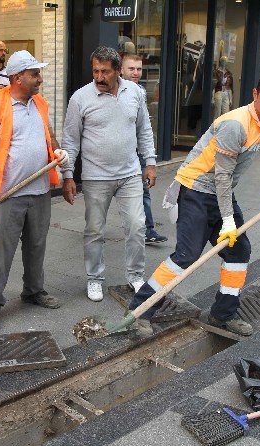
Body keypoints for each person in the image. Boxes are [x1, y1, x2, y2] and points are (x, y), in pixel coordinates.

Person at [127, 69, 260, 336]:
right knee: (186, 255)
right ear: (255, 95)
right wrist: (228, 220)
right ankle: (139, 310)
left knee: (238, 251)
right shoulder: (235, 125)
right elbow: (223, 175)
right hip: (195, 189)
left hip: (220, 193)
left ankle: (222, 314)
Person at [0, 50, 69, 332]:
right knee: (0, 251)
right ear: (17, 78)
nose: (40, 79)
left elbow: (49, 136)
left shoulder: (40, 103)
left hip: (38, 191)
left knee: (36, 246)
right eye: (34, 74)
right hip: (6, 195)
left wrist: (57, 152)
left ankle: (34, 291)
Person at [62, 46, 157, 302]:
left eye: (105, 71)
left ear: (118, 71)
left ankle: (136, 276)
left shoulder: (135, 93)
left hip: (129, 174)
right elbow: (70, 141)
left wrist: (150, 162)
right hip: (95, 177)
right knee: (94, 230)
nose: (99, 77)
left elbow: (144, 130)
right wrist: (68, 175)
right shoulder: (80, 98)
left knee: (137, 226)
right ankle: (94, 279)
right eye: (95, 71)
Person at [120, 52, 167, 245]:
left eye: (139, 69)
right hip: (119, 155)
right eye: (131, 68)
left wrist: (149, 158)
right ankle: (94, 229)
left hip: (137, 153)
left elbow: (143, 127)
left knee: (143, 191)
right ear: (121, 70)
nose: (136, 72)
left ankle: (148, 230)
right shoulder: (115, 92)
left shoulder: (139, 90)